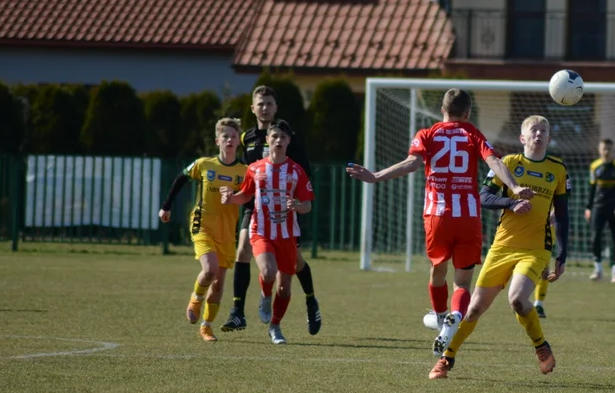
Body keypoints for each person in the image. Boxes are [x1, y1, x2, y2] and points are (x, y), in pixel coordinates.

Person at [345, 88, 532, 353]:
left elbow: (411, 163)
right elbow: (494, 162)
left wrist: (375, 176)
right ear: (467, 113)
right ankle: (453, 318)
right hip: (467, 216)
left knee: (437, 271)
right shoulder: (472, 133)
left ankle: (441, 315)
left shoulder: (427, 134)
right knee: (463, 282)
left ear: (442, 110)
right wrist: (513, 187)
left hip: (437, 216)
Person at [430, 115, 570, 380]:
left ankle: (541, 347)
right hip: (502, 248)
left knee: (517, 299)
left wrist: (562, 253)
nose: (538, 134)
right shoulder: (509, 164)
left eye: (543, 131)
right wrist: (510, 203)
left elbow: (562, 214)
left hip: (535, 249)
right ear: (523, 138)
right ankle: (446, 360)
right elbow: (482, 196)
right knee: (472, 310)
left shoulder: (558, 169)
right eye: (533, 130)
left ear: (549, 139)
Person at [221, 85, 322, 336]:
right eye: (260, 104)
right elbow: (243, 169)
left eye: (269, 104)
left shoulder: (290, 137)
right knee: (244, 248)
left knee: (295, 265)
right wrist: (231, 193)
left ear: (275, 107)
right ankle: (238, 312)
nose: (265, 108)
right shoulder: (246, 138)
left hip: (286, 211)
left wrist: (295, 201)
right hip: (254, 207)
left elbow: (304, 174)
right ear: (252, 107)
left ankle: (310, 300)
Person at [158, 118, 248, 343]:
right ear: (217, 140)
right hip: (202, 225)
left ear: (239, 142)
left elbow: (249, 198)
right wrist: (166, 206)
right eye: (225, 136)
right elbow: (181, 178)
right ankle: (196, 299)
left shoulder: (245, 171)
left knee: (218, 283)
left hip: (228, 232)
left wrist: (235, 198)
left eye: (233, 136)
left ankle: (206, 327)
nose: (229, 140)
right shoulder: (204, 164)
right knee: (210, 270)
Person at [586, 139, 615, 283]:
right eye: (604, 148)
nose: (606, 151)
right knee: (596, 236)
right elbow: (592, 189)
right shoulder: (594, 166)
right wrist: (588, 207)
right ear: (599, 149)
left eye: (609, 149)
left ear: (613, 150)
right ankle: (597, 269)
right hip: (598, 207)